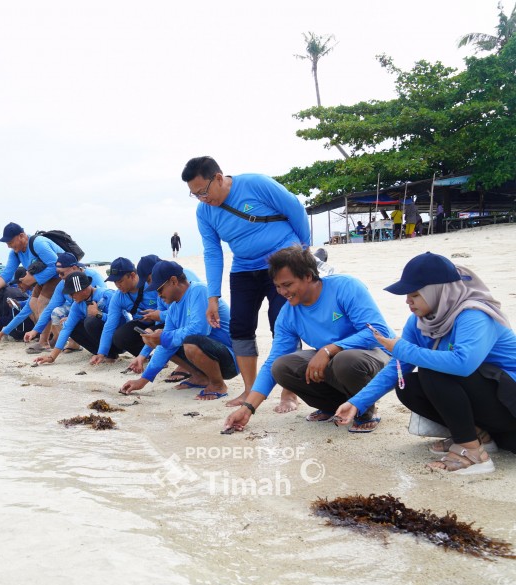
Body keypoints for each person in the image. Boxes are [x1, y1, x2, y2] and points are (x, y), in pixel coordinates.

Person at [335, 253, 516, 474]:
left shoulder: (475, 315)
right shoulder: (420, 322)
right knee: (407, 385)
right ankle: (478, 437)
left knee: (433, 371)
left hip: (509, 402)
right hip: (489, 401)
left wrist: (401, 348)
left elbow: (463, 364)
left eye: (415, 295)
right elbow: (397, 368)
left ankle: (473, 454)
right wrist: (357, 402)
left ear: (439, 291)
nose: (408, 301)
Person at [182, 155, 309, 413]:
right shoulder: (204, 212)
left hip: (281, 262)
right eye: (195, 195)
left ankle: (289, 392)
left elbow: (295, 209)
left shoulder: (256, 184)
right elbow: (212, 252)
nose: (202, 199)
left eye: (203, 191)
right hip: (244, 267)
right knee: (240, 328)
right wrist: (213, 297)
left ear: (218, 178)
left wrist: (304, 253)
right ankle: (250, 389)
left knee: (282, 324)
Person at [223, 246, 393, 433]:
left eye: (287, 284)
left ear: (308, 276)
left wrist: (329, 349)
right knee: (281, 366)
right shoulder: (288, 314)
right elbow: (273, 361)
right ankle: (334, 406)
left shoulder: (345, 286)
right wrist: (248, 408)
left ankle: (365, 411)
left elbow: (377, 332)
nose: (282, 292)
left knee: (345, 359)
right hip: (334, 361)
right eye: (277, 286)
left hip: (378, 355)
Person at [121, 261, 237, 398]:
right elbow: (164, 347)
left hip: (231, 358)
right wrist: (142, 381)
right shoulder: (173, 309)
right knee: (167, 343)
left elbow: (200, 329)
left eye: (160, 290)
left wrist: (164, 337)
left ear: (173, 281)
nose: (158, 295)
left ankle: (218, 385)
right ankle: (200, 377)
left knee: (189, 341)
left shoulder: (199, 291)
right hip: (211, 356)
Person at [0, 222, 63, 324]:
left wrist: (34, 278)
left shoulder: (38, 243)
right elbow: (6, 274)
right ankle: (42, 333)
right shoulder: (15, 253)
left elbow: (56, 266)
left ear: (21, 236)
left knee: (42, 303)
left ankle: (49, 334)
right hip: (46, 280)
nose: (8, 246)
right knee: (32, 304)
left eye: (10, 242)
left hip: (61, 276)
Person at [33, 271, 113, 365]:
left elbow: (120, 321)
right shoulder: (77, 304)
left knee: (90, 321)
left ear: (84, 290)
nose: (70, 296)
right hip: (102, 340)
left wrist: (98, 314)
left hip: (116, 339)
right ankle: (101, 353)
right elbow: (67, 329)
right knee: (69, 323)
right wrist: (51, 357)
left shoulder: (107, 295)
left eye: (72, 293)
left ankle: (109, 354)